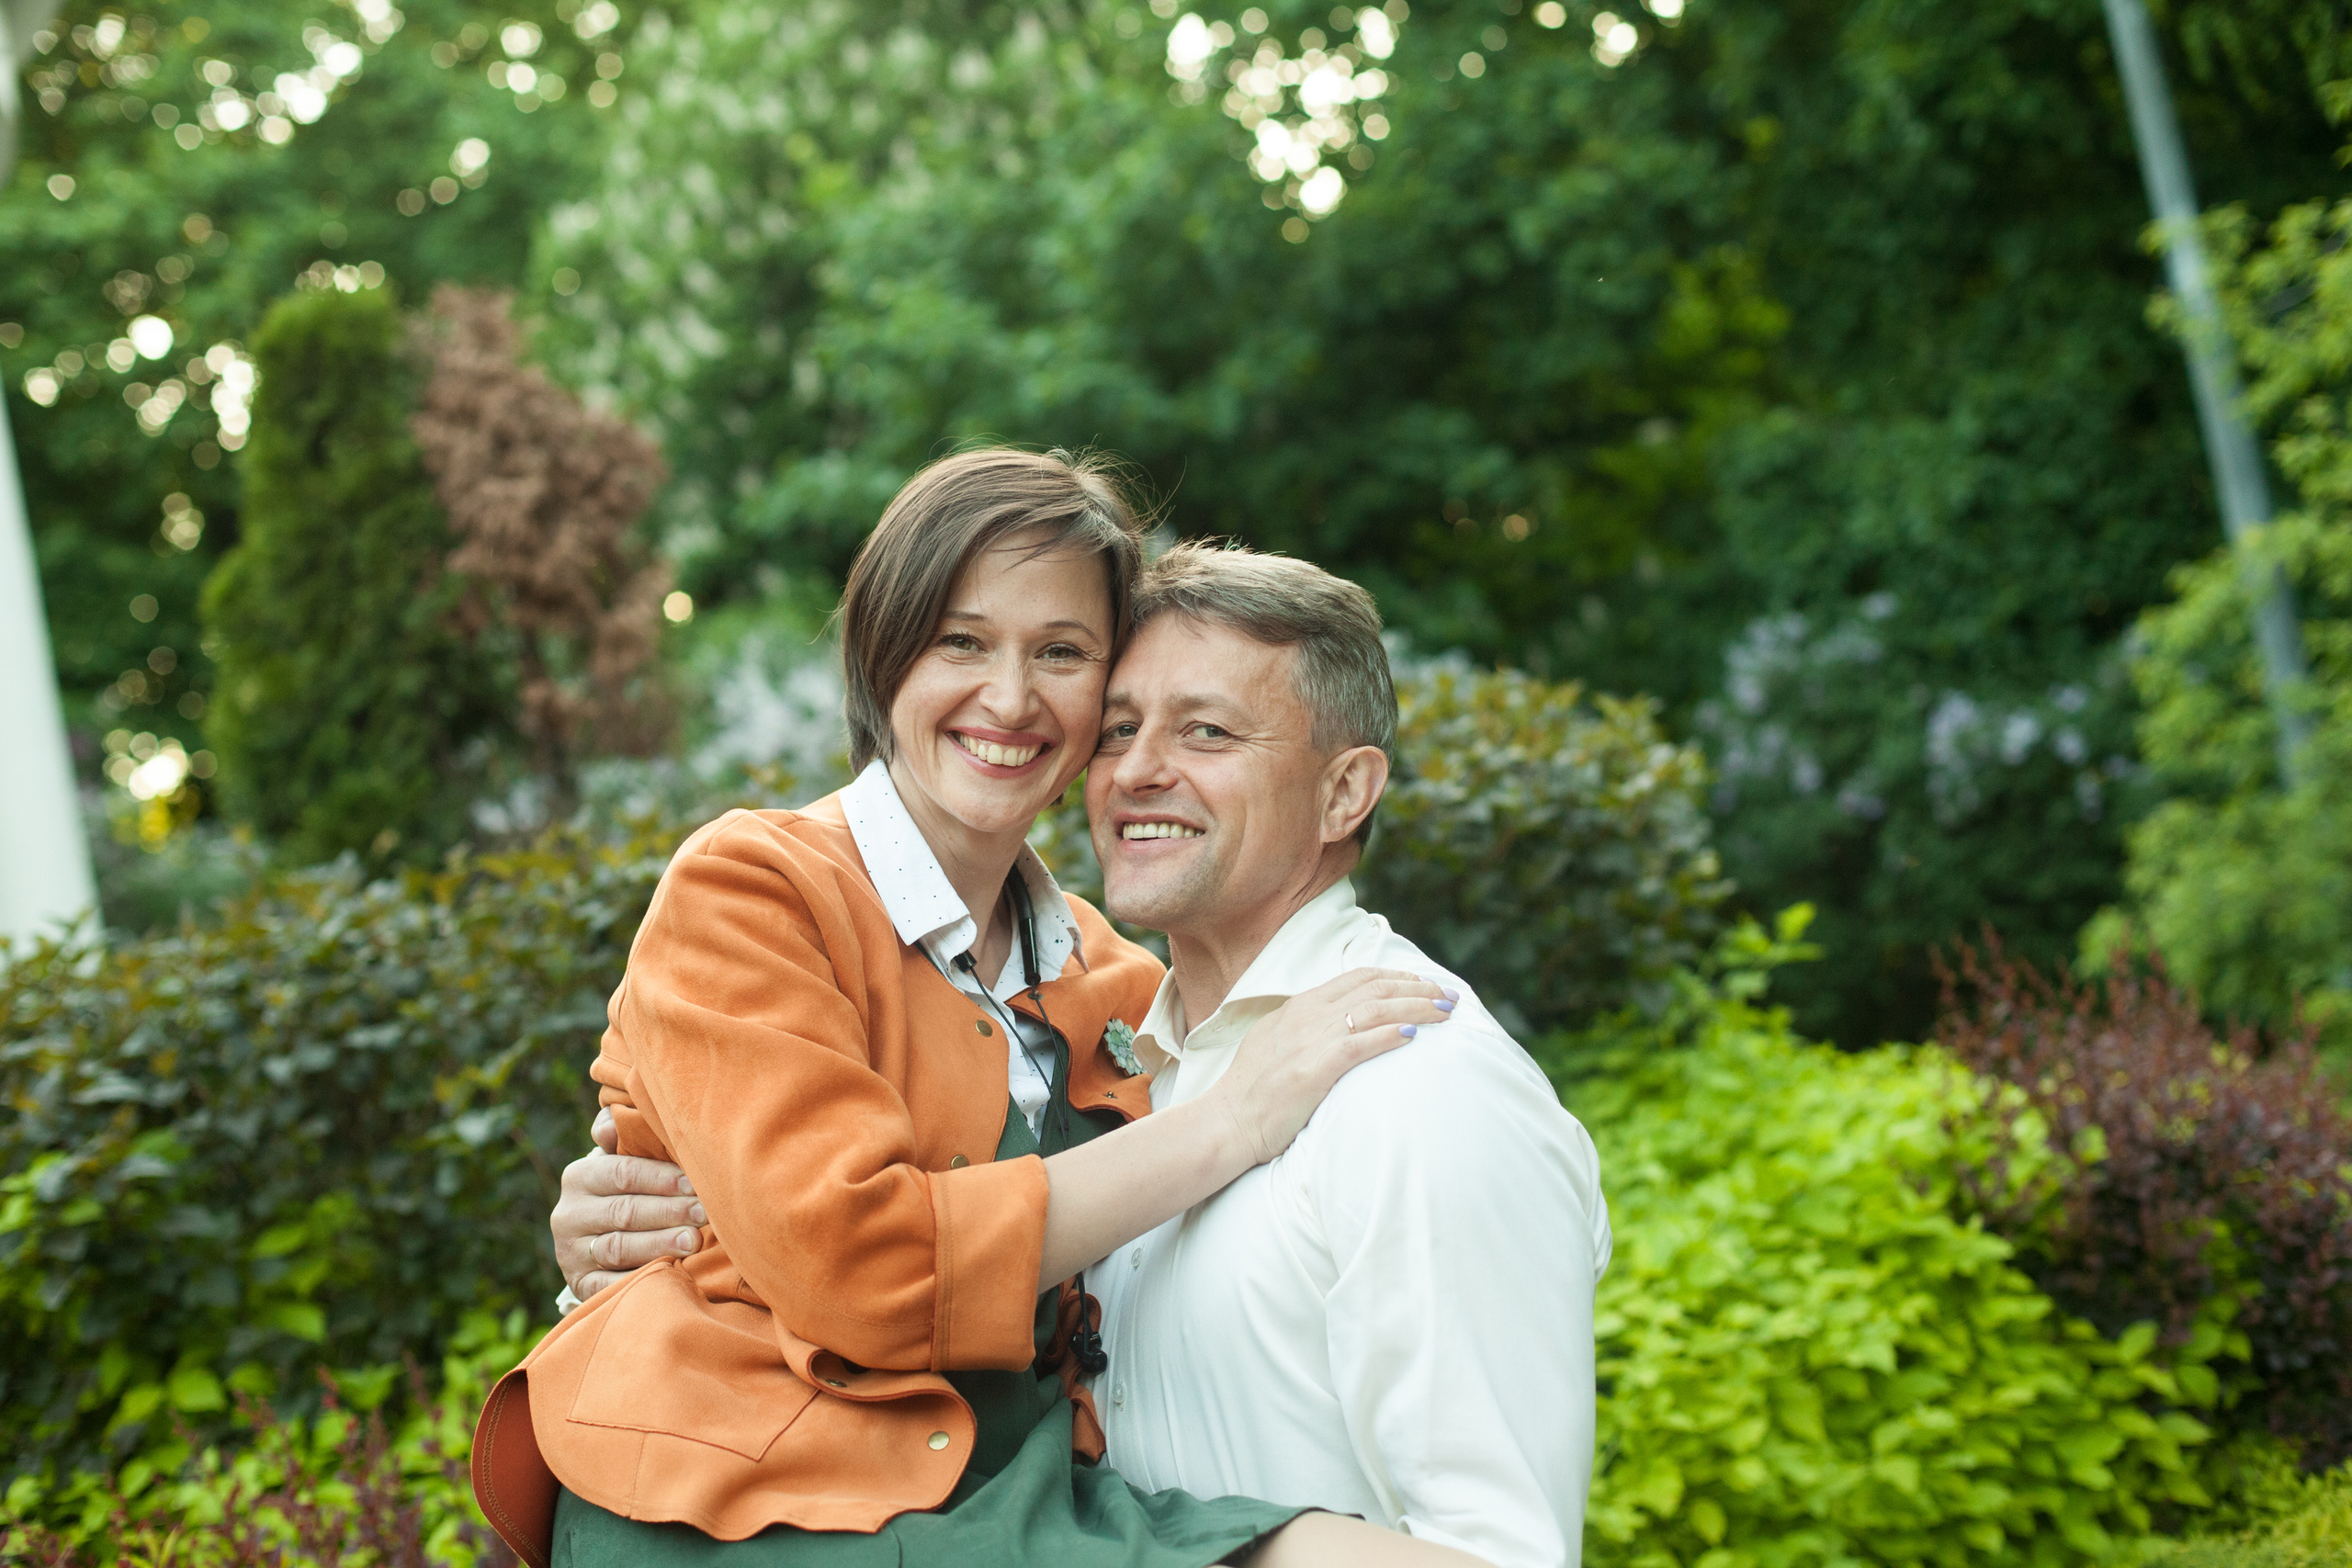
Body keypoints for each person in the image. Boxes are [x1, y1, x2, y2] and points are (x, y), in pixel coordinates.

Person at [471, 447, 1472, 1568]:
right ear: (883, 656)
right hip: (750, 1499)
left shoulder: (1113, 978)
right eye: (961, 641)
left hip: (994, 1488)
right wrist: (1234, 1117)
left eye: (1062, 653)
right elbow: (863, 1268)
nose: (1010, 698)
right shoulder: (751, 889)